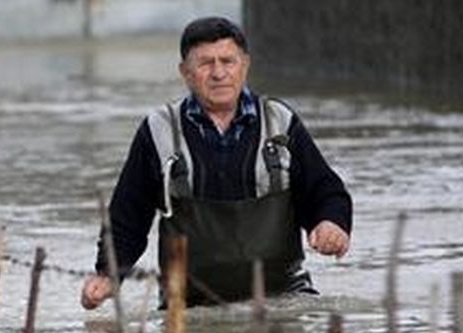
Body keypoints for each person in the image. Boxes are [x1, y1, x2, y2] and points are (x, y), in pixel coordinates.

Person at [81, 16, 352, 308]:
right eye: (205, 63)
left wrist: (331, 223)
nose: (219, 73)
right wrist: (108, 273)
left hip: (283, 297)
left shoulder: (280, 122)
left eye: (228, 61)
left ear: (245, 65)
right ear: (185, 72)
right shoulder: (157, 130)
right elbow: (128, 214)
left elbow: (324, 190)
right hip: (188, 306)